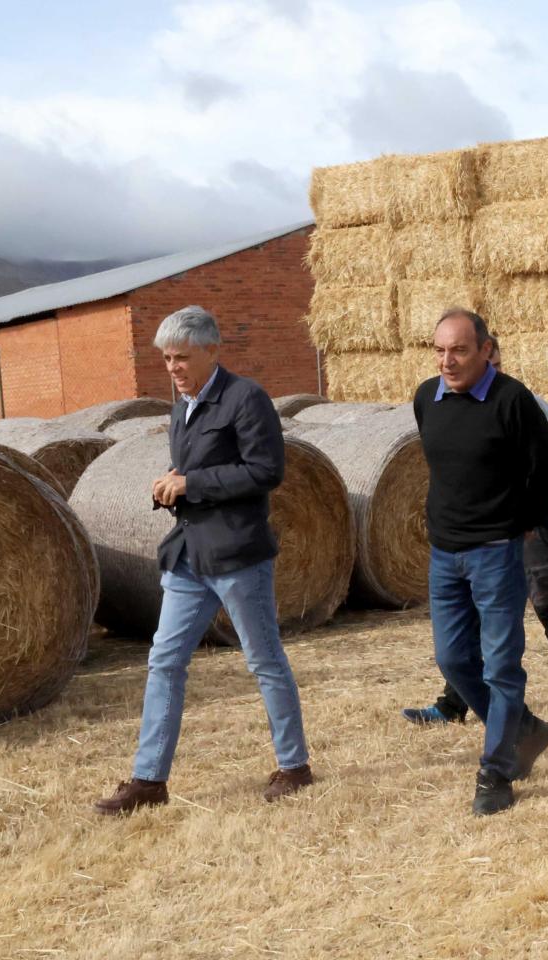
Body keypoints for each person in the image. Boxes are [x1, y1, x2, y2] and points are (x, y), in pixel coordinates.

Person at [93, 305, 313, 814]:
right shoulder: (181, 408)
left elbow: (265, 471)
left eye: (182, 357)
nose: (172, 367)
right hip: (188, 557)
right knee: (164, 661)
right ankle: (149, 780)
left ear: (212, 350)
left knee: (264, 661)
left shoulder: (245, 399)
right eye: (167, 358)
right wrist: (170, 484)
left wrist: (191, 483)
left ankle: (295, 765)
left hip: (237, 556)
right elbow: (198, 469)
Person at [411, 308, 548, 816]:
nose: (447, 361)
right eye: (439, 350)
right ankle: (525, 729)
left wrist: (526, 517)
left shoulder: (511, 400)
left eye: (458, 350)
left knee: (501, 667)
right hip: (444, 554)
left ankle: (496, 770)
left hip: (497, 554)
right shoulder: (425, 398)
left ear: (485, 350)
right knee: (453, 660)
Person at [403, 337, 548, 724]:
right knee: (469, 618)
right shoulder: (443, 404)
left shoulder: (527, 405)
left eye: (497, 364)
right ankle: (455, 703)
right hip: (477, 538)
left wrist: (528, 519)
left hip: (527, 530)